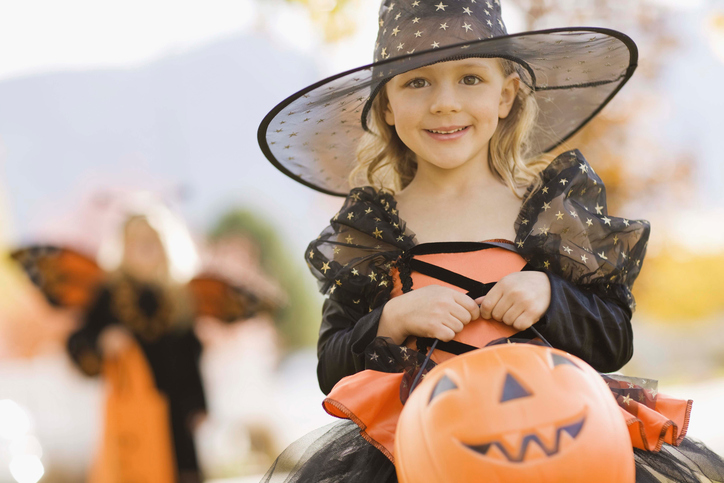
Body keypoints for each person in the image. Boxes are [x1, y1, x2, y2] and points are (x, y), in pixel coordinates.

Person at [257, 1, 724, 482]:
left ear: (507, 96)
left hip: (559, 442)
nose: (444, 102)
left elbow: (614, 339)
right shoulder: (373, 232)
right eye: (417, 81)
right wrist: (393, 318)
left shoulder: (551, 214)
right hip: (423, 458)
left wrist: (551, 295)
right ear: (387, 105)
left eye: (470, 79)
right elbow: (332, 370)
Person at [13, 203, 261, 483]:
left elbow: (191, 355)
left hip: (176, 414)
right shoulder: (108, 295)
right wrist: (102, 340)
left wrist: (199, 405)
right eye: (136, 241)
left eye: (151, 241)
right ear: (122, 247)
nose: (144, 248)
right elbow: (77, 342)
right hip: (130, 414)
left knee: (181, 473)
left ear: (166, 246)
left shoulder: (180, 299)